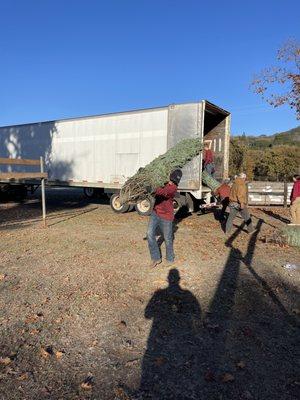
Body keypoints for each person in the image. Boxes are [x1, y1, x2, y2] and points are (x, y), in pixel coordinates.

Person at [147, 169, 182, 267]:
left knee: (167, 238)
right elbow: (157, 190)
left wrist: (152, 189)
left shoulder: (173, 188)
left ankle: (170, 258)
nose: (172, 181)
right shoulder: (163, 182)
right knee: (149, 234)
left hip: (166, 216)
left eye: (174, 180)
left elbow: (163, 192)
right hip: (155, 212)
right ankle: (156, 258)